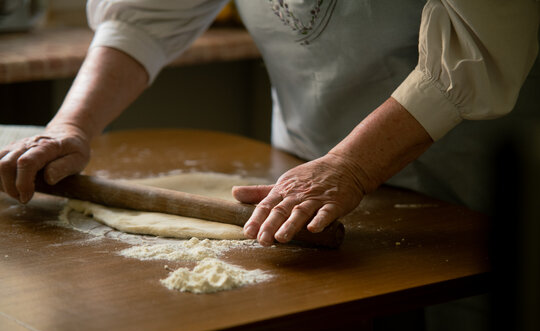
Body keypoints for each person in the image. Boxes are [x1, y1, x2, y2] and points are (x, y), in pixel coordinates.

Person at [0, 0, 538, 248]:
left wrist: (351, 165)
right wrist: (70, 125)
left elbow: (482, 45)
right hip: (306, 172)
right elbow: (144, 14)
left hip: (476, 171)